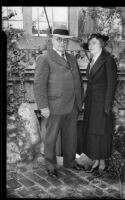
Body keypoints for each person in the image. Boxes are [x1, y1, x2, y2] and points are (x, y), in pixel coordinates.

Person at [34, 25, 84, 178]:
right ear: (52, 40)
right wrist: (43, 106)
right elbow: (39, 84)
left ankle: (70, 161)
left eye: (65, 40)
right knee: (51, 137)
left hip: (73, 105)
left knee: (71, 136)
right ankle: (50, 165)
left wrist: (80, 101)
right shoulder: (45, 58)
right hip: (54, 106)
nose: (62, 43)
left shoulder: (71, 58)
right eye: (59, 39)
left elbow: (79, 81)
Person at [82, 33, 117, 176]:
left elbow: (112, 84)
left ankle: (102, 163)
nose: (91, 46)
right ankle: (96, 160)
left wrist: (107, 106)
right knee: (93, 133)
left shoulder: (108, 60)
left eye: (94, 43)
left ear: (101, 44)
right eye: (89, 44)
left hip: (102, 103)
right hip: (91, 103)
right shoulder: (92, 60)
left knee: (102, 133)